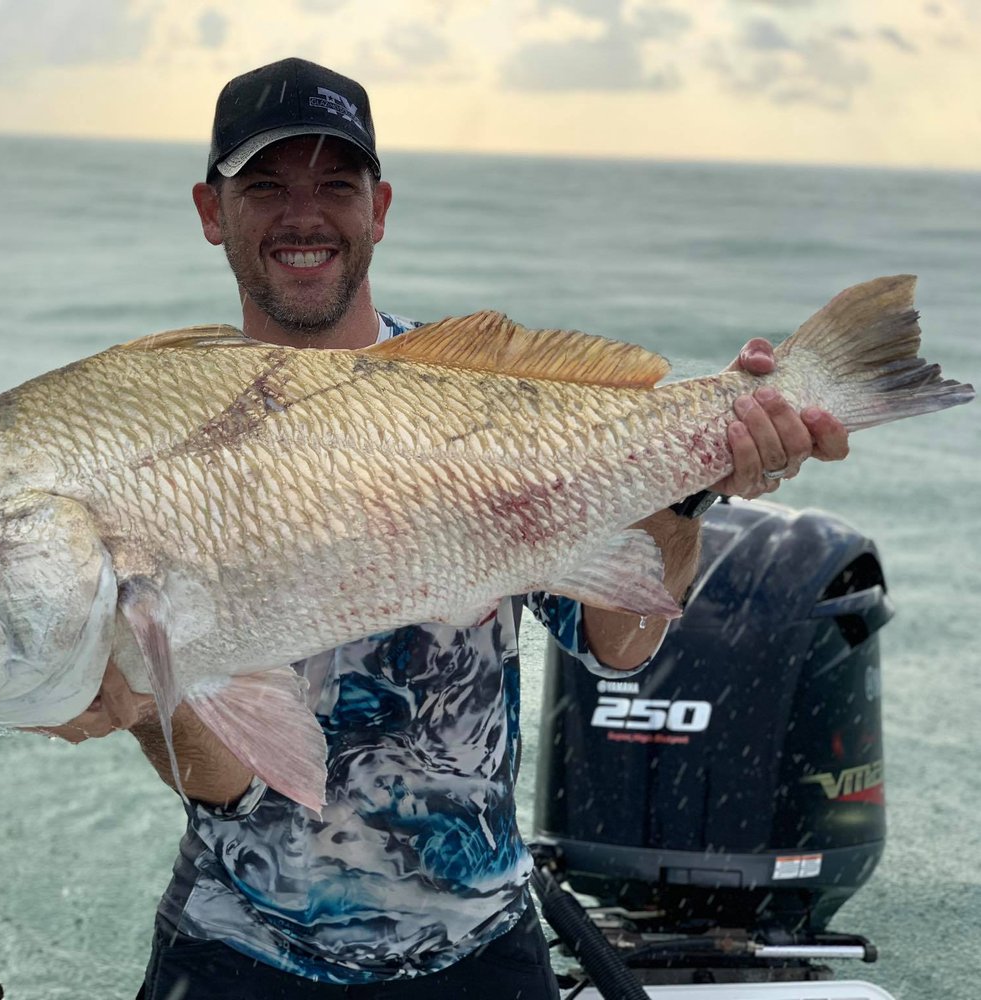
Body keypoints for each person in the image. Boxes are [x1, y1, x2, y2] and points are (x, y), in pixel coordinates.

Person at [43, 58, 850, 998]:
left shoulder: (483, 403)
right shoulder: (156, 431)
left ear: (378, 208)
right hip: (237, 940)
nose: (303, 215)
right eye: (265, 186)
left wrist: (681, 491)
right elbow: (231, 791)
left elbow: (620, 647)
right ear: (210, 212)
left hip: (479, 941)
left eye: (334, 185)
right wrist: (142, 699)